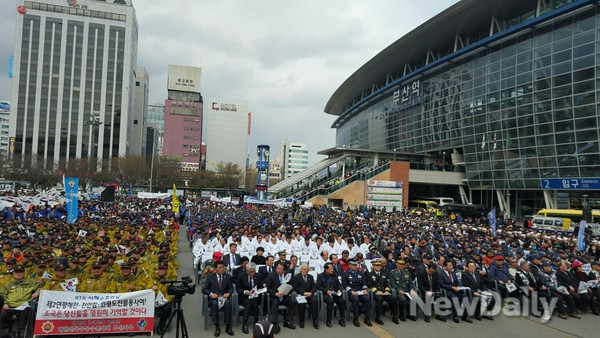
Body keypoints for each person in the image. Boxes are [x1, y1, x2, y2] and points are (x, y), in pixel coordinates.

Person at [0, 265, 40, 335]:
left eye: (20, 272)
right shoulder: (8, 284)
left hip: (23, 306)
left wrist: (37, 292)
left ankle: (19, 332)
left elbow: (41, 286)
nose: (18, 274)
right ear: (13, 273)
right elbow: (2, 294)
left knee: (26, 311)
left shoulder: (31, 283)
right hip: (10, 306)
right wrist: (5, 303)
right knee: (2, 313)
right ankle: (1, 332)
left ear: (24, 273)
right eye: (16, 272)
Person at [202, 260, 234, 337]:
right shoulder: (210, 277)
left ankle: (228, 326)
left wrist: (228, 293)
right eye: (220, 267)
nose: (222, 269)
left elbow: (231, 288)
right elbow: (204, 289)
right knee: (214, 304)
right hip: (214, 298)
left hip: (223, 297)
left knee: (228, 303)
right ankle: (217, 326)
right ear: (216, 268)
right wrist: (211, 294)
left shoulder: (228, 276)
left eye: (223, 267)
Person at [266, 262, 297, 333]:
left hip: (284, 296)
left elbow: (292, 286)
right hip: (275, 297)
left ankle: (287, 321)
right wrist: (275, 293)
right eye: (277, 268)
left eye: (280, 269)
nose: (278, 270)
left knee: (292, 302)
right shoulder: (271, 275)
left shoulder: (287, 275)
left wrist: (288, 292)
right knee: (274, 304)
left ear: (284, 270)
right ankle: (275, 323)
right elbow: (267, 288)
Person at [365, 260, 399, 324]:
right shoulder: (369, 274)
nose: (378, 267)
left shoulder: (384, 273)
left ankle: (395, 316)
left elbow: (386, 284)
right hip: (376, 293)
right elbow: (369, 285)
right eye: (377, 266)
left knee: (394, 298)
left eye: (379, 266)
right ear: (373, 266)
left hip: (384, 292)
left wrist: (387, 290)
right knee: (379, 299)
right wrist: (376, 291)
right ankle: (378, 317)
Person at [342, 260, 372, 327]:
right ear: (349, 266)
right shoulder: (345, 273)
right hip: (351, 292)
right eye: (353, 265)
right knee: (356, 300)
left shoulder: (360, 273)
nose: (355, 267)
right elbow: (344, 285)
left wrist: (365, 289)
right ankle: (356, 318)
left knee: (367, 299)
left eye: (356, 265)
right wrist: (351, 291)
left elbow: (364, 283)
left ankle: (367, 318)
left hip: (360, 291)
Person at [316, 262, 346, 327]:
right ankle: (328, 320)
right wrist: (326, 291)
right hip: (326, 294)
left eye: (332, 268)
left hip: (334, 293)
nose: (332, 270)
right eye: (331, 268)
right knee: (330, 301)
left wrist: (339, 289)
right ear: (326, 269)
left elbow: (339, 284)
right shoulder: (320, 276)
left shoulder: (334, 275)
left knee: (342, 301)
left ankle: (342, 319)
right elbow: (318, 286)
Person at [236, 262, 263, 334]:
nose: (253, 273)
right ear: (247, 271)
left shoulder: (258, 276)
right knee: (249, 301)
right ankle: (245, 323)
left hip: (255, 297)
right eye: (251, 272)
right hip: (244, 297)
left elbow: (261, 287)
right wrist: (244, 292)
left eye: (254, 271)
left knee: (254, 301)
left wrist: (260, 290)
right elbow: (237, 288)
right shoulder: (241, 276)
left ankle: (255, 322)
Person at [290, 263, 319, 329]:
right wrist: (303, 293)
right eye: (302, 269)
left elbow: (314, 286)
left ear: (308, 270)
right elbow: (295, 287)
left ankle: (315, 321)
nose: (303, 270)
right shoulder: (296, 277)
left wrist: (311, 292)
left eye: (305, 269)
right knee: (302, 303)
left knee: (314, 301)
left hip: (309, 295)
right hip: (301, 295)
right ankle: (301, 321)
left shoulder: (310, 277)